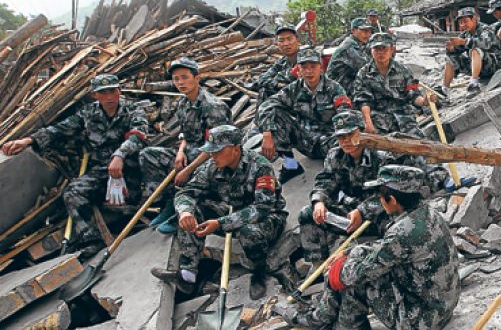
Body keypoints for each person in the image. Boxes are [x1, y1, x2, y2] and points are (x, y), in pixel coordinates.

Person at [275, 165, 460, 330]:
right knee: (356, 256)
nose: (379, 201)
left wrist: (335, 270)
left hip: (421, 322)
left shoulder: (402, 232)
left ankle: (323, 319)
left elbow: (355, 274)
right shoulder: (426, 213)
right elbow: (387, 249)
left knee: (353, 272)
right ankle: (341, 318)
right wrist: (351, 252)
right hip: (443, 306)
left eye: (380, 197)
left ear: (392, 201)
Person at [1, 74, 149, 255]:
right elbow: (59, 130)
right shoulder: (88, 113)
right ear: (95, 95)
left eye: (113, 91)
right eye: (103, 93)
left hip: (129, 169)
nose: (109, 97)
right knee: (73, 193)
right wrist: (28, 141)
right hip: (101, 171)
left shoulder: (133, 111)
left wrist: (120, 155)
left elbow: (138, 135)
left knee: (129, 203)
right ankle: (92, 240)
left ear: (119, 91)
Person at [151, 125, 288, 300]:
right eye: (211, 152)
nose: (212, 156)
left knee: (248, 232)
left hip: (268, 217)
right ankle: (187, 276)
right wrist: (185, 212)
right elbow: (187, 192)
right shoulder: (212, 166)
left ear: (235, 149)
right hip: (232, 211)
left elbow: (262, 208)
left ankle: (259, 272)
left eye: (217, 151)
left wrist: (220, 223)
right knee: (192, 212)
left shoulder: (260, 166)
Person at [139, 58, 232, 234]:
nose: (180, 82)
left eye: (185, 77)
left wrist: (188, 169)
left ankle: (186, 212)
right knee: (148, 154)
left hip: (215, 158)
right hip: (191, 153)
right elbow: (186, 136)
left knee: (201, 170)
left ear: (197, 78)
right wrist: (180, 153)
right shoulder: (183, 104)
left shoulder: (212, 106)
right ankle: (170, 202)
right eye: (176, 79)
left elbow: (218, 146)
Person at [296, 111, 394, 266]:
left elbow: (389, 192)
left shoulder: (381, 155)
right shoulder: (335, 155)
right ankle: (318, 266)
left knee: (394, 227)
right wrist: (319, 201)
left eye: (351, 134)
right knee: (308, 214)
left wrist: (362, 211)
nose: (346, 141)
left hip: (379, 213)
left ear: (361, 132)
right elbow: (326, 181)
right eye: (341, 137)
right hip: (350, 213)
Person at [256, 48, 353, 183]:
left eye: (313, 66)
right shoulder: (293, 89)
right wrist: (267, 134)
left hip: (329, 141)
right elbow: (266, 106)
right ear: (298, 70)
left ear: (321, 67)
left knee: (346, 150)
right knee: (276, 113)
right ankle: (291, 166)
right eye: (304, 67)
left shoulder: (334, 88)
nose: (309, 71)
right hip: (304, 139)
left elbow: (345, 114)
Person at [353, 33, 431, 135]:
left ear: (392, 50)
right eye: (377, 49)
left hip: (404, 117)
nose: (381, 52)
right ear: (370, 50)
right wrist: (368, 123)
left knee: (418, 144)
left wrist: (424, 101)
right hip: (378, 119)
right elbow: (363, 101)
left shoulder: (403, 71)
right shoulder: (363, 73)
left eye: (384, 48)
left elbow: (413, 95)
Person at [442, 7, 501, 95]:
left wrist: (464, 42)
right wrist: (451, 48)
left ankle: (474, 84)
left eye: (465, 21)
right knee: (449, 58)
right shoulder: (465, 34)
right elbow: (457, 51)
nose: (463, 25)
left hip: (493, 65)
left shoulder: (486, 29)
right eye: (461, 23)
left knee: (475, 50)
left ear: (474, 19)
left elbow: (485, 43)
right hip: (478, 68)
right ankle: (445, 90)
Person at [255, 24, 300, 103]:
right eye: (281, 40)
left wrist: (277, 81)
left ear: (297, 39)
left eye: (289, 39)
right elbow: (262, 79)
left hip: (303, 101)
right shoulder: (282, 62)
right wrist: (277, 84)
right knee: (264, 91)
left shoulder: (306, 58)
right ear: (277, 43)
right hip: (284, 99)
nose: (286, 44)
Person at [327, 18, 373, 93]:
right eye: (364, 30)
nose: (367, 34)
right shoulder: (349, 45)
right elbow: (365, 67)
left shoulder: (359, 44)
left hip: (347, 82)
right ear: (353, 30)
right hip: (338, 87)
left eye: (369, 31)